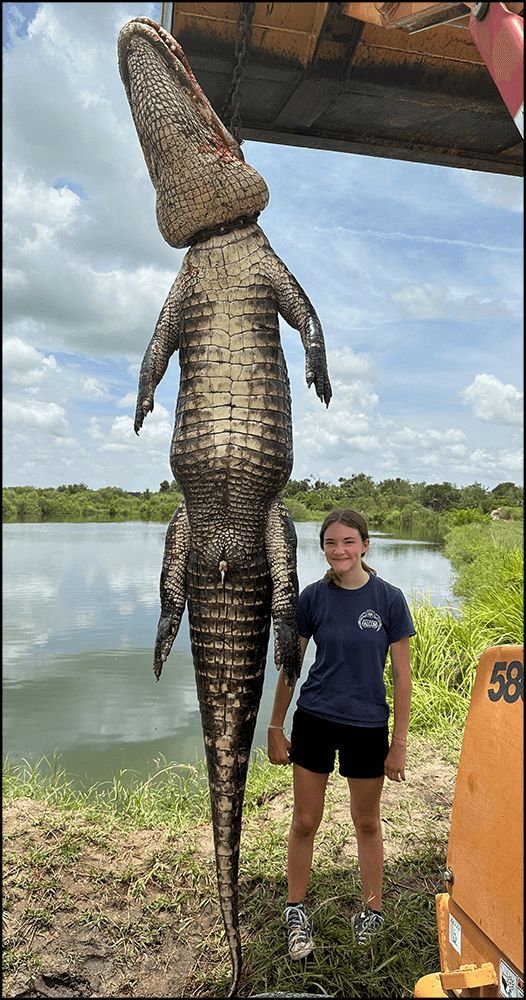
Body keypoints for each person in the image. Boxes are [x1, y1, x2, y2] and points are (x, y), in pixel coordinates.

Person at [267, 508, 415, 959]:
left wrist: (399, 744)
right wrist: (275, 725)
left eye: (349, 541)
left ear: (365, 545)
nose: (340, 550)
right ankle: (296, 909)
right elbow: (291, 666)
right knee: (305, 821)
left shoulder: (389, 599)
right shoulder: (312, 598)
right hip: (315, 718)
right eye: (331, 542)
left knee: (367, 822)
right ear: (324, 548)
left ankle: (371, 911)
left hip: (368, 725)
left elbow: (403, 677)